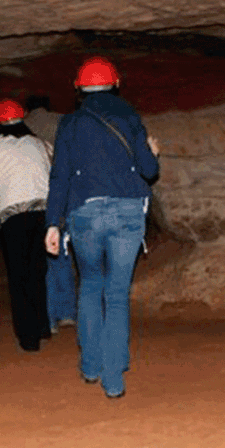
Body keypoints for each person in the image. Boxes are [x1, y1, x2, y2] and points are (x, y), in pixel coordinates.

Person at [45, 56, 160, 399]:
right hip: (126, 212)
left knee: (91, 285)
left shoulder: (70, 123)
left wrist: (53, 223)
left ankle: (91, 366)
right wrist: (152, 151)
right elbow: (149, 170)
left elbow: (60, 176)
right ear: (116, 83)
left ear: (79, 89)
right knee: (117, 295)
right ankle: (114, 380)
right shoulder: (129, 116)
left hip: (85, 215)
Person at [0, 98, 53, 352]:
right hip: (44, 213)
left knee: (19, 276)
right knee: (38, 272)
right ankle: (42, 325)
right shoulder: (39, 143)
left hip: (15, 217)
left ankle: (29, 337)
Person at [26, 95, 75, 334]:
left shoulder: (22, 129)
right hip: (65, 198)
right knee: (62, 255)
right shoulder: (62, 121)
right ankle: (67, 312)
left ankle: (50, 316)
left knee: (42, 260)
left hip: (36, 201)